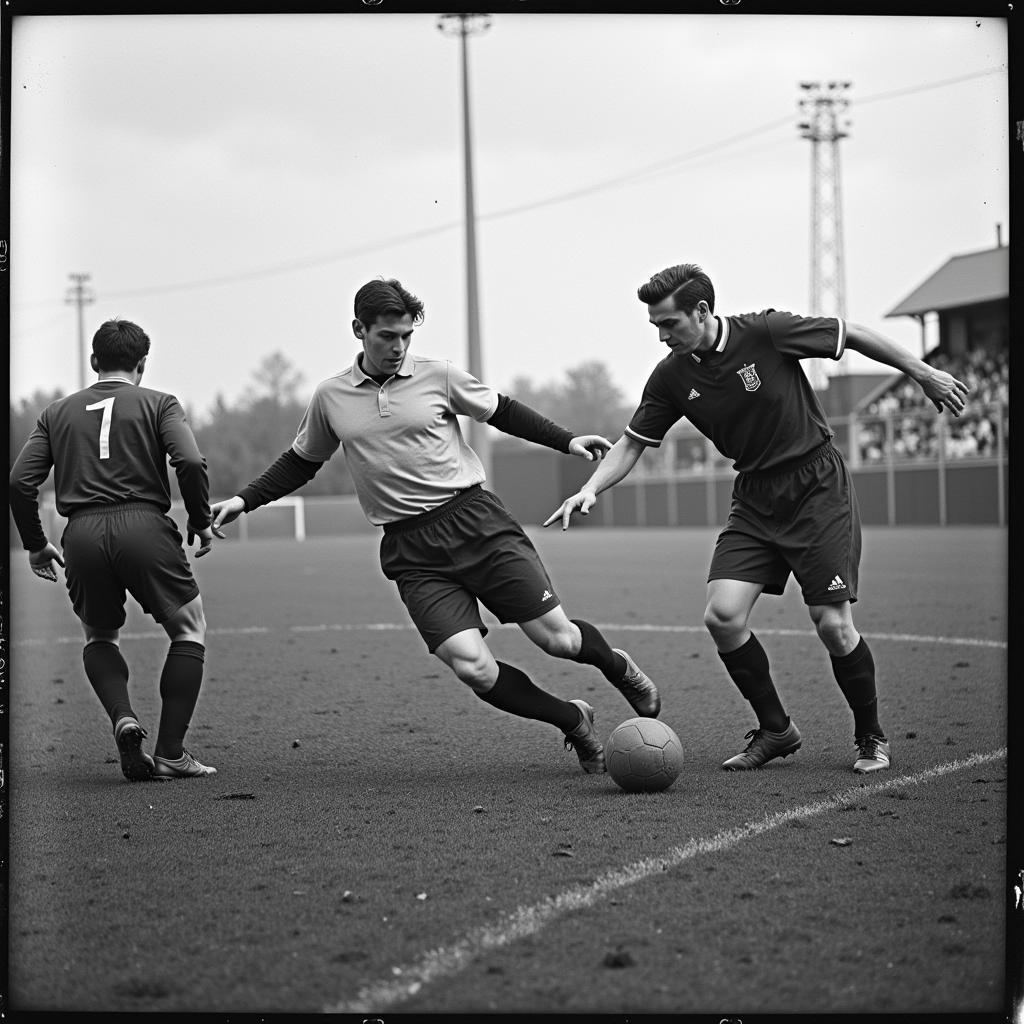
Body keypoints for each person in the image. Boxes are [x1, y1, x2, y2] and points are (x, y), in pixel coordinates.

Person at [210, 277, 661, 774]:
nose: (398, 347)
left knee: (560, 641)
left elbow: (501, 410)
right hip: (411, 550)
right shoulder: (330, 397)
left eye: (406, 336)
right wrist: (243, 500)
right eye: (387, 336)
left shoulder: (438, 375)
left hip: (475, 524)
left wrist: (566, 441)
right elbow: (302, 461)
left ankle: (617, 667)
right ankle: (572, 720)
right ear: (359, 330)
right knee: (474, 668)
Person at [545, 263, 970, 774]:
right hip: (755, 497)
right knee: (722, 616)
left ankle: (870, 735)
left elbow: (850, 333)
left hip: (816, 486)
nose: (661, 336)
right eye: (654, 326)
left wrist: (922, 372)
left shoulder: (766, 331)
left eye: (669, 323)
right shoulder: (671, 376)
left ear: (702, 312)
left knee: (833, 626)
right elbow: (633, 442)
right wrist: (589, 489)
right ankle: (776, 729)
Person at [9, 319, 222, 781]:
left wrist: (35, 544)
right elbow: (187, 460)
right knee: (188, 629)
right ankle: (170, 752)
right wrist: (200, 520)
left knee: (99, 636)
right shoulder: (160, 403)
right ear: (142, 365)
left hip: (81, 532)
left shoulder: (55, 413)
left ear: (93, 362)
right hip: (144, 526)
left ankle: (124, 717)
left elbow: (19, 481)